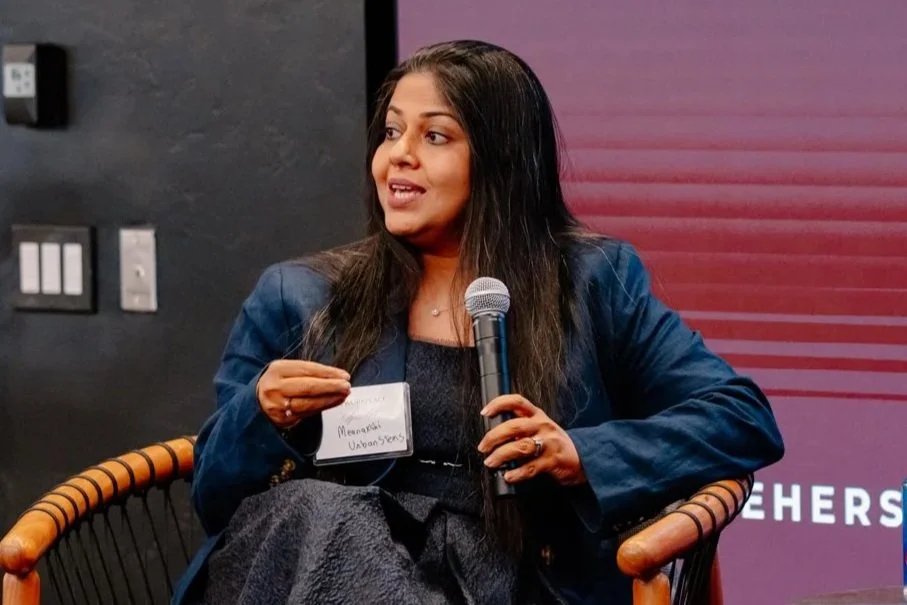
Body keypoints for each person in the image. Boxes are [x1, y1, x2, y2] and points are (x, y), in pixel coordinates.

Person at [172, 40, 784, 605]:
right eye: (390, 132)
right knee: (317, 514)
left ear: (501, 161)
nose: (398, 157)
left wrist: (581, 454)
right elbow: (216, 501)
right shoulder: (302, 295)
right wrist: (262, 416)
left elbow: (740, 418)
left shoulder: (592, 281)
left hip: (521, 577)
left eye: (435, 136)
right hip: (330, 567)